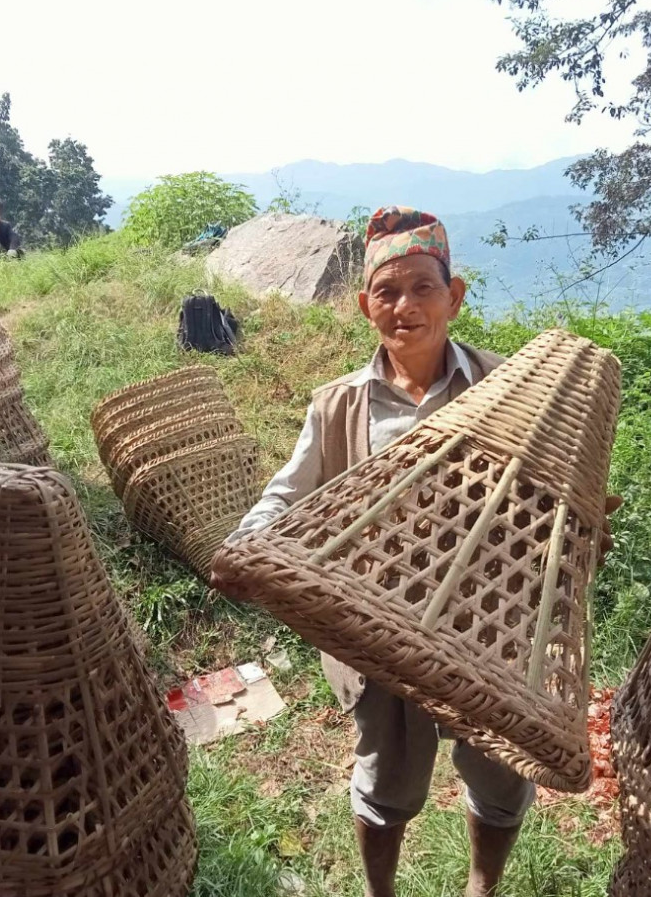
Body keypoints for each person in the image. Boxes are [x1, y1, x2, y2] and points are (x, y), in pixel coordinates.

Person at [218, 206, 620, 897]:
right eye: (387, 291)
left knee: (499, 777)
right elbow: (287, 493)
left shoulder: (508, 388)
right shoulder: (338, 405)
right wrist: (243, 546)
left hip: (488, 628)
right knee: (387, 780)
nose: (405, 306)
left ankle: (480, 888)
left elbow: (561, 503)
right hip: (376, 630)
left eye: (423, 288)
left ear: (454, 296)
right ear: (363, 304)